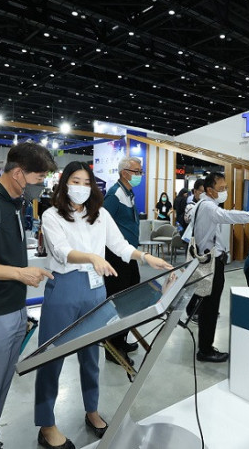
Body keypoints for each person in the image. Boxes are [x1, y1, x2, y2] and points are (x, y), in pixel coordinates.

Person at [36, 161, 171, 448]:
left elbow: (120, 246)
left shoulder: (101, 215)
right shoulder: (51, 215)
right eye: (75, 181)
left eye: (87, 183)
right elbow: (60, 251)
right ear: (64, 183)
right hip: (64, 290)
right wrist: (92, 257)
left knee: (91, 357)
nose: (81, 188)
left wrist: (146, 258)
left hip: (96, 291)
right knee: (50, 357)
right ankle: (46, 424)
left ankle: (92, 411)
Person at [0, 142, 57, 449]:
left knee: (0, 387)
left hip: (15, 310)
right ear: (18, 173)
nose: (41, 186)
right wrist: (19, 273)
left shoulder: (16, 203)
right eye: (39, 178)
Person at [185, 172, 249, 362]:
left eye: (226, 187)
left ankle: (205, 346)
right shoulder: (208, 207)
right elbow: (230, 216)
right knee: (210, 307)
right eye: (221, 188)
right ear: (209, 190)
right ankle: (205, 350)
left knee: (208, 305)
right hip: (210, 262)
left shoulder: (202, 204)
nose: (225, 191)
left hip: (207, 260)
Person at [102, 156, 143, 365]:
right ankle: (112, 348)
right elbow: (102, 223)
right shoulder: (114, 195)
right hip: (116, 257)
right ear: (124, 173)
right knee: (118, 301)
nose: (140, 175)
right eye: (137, 171)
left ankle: (121, 340)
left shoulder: (128, 193)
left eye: (140, 171)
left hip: (129, 254)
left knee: (129, 298)